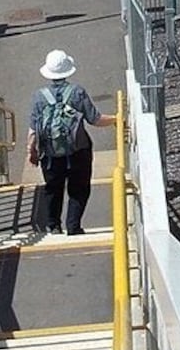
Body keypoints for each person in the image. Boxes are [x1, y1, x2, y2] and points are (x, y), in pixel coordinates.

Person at [27, 50, 115, 235]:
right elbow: (96, 119)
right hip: (78, 151)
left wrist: (32, 152)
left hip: (50, 156)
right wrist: (117, 119)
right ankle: (74, 226)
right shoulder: (77, 92)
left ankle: (54, 226)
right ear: (68, 70)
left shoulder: (38, 97)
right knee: (79, 189)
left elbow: (33, 129)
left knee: (53, 190)